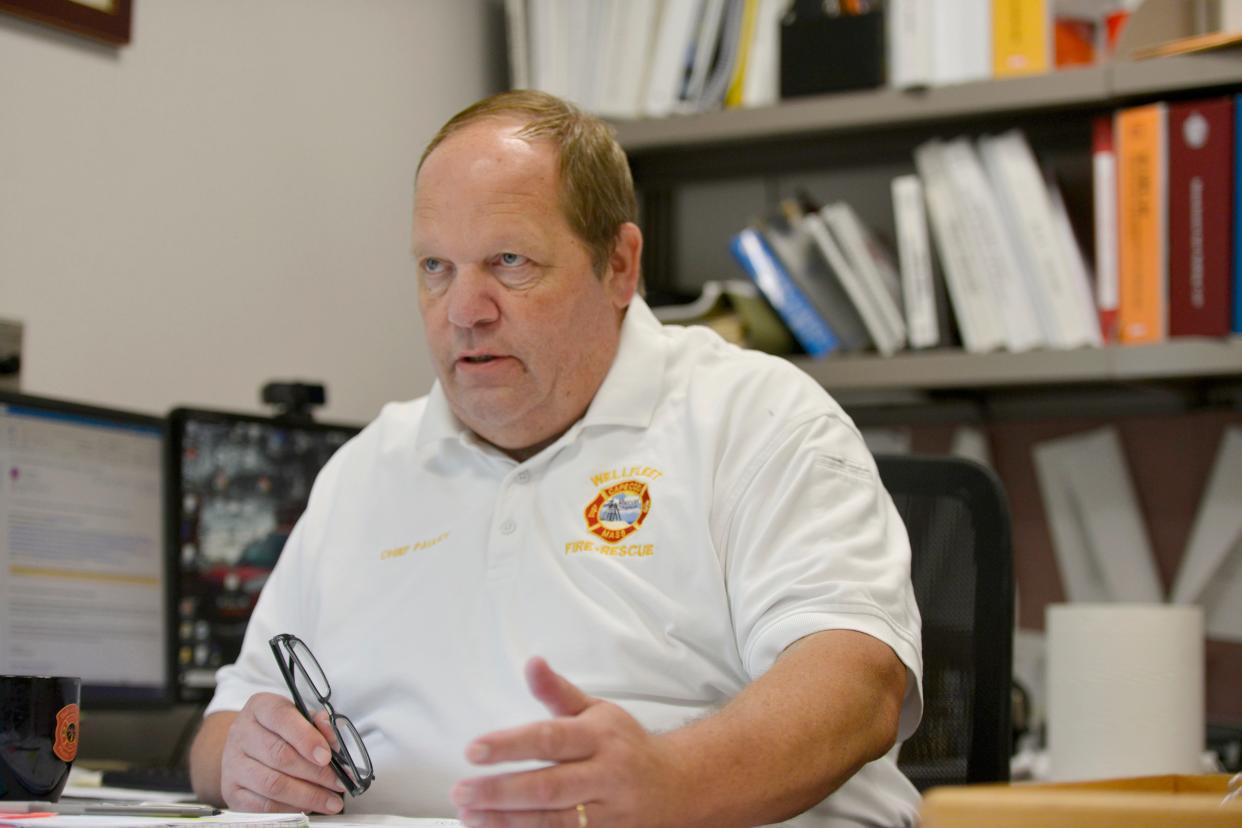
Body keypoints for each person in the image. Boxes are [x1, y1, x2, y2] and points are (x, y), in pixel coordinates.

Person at [188, 90, 923, 828]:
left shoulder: (755, 418)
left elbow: (858, 685)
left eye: (510, 261)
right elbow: (223, 727)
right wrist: (244, 761)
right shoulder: (366, 469)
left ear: (620, 266)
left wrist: (672, 783)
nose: (463, 309)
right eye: (435, 267)